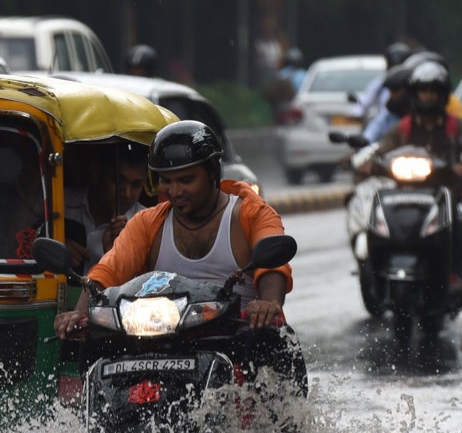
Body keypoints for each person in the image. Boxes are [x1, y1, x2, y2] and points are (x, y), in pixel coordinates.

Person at [54, 120, 305, 393]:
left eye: (186, 180)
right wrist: (78, 313)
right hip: (160, 339)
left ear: (212, 173)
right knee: (92, 342)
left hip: (234, 336)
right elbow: (108, 270)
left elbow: (272, 263)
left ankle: (280, 429)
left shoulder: (251, 214)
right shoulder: (146, 223)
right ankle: (98, 424)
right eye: (167, 181)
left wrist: (267, 302)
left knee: (272, 337)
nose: (175, 192)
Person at [366, 60, 462, 307]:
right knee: (376, 220)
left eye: (432, 90)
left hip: (445, 191)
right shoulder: (402, 127)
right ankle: (376, 274)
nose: (427, 96)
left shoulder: (454, 125)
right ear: (414, 94)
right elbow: (382, 148)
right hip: (405, 192)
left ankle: (453, 274)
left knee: (457, 221)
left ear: (442, 94)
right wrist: (370, 163)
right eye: (422, 90)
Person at [64, 142, 150, 272]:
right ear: (96, 174)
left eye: (136, 185)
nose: (127, 193)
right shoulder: (60, 202)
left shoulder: (147, 225)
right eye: (118, 181)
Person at [352, 42, 414, 122]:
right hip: (386, 121)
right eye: (390, 64)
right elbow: (365, 101)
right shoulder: (381, 83)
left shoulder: (412, 83)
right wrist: (357, 113)